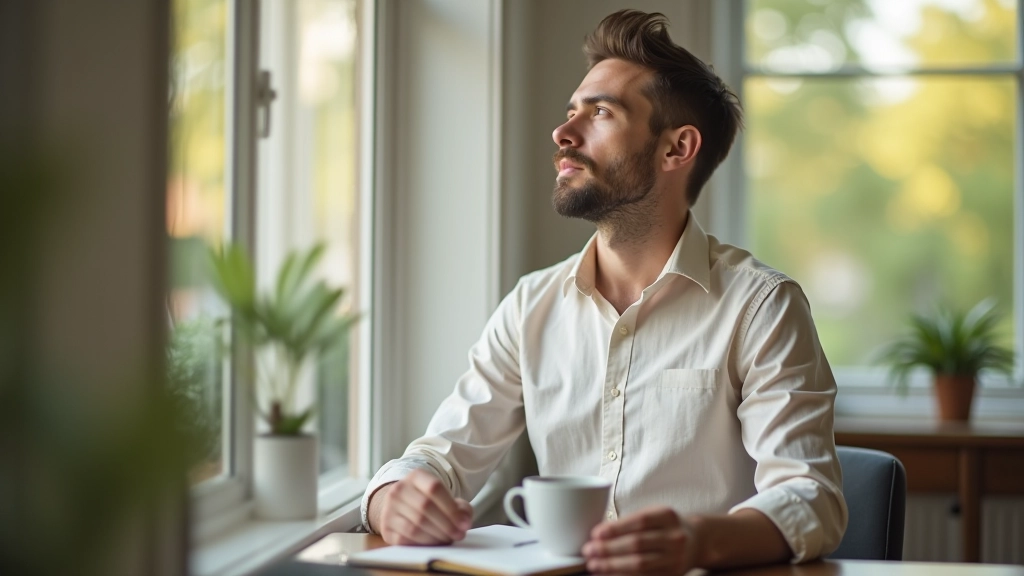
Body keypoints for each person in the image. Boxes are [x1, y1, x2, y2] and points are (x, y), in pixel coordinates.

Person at [361, 9, 847, 574]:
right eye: (572, 112)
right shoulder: (530, 306)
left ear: (676, 149)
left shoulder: (762, 307)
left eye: (601, 113)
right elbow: (438, 456)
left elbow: (812, 499)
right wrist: (391, 498)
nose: (563, 133)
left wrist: (695, 541)